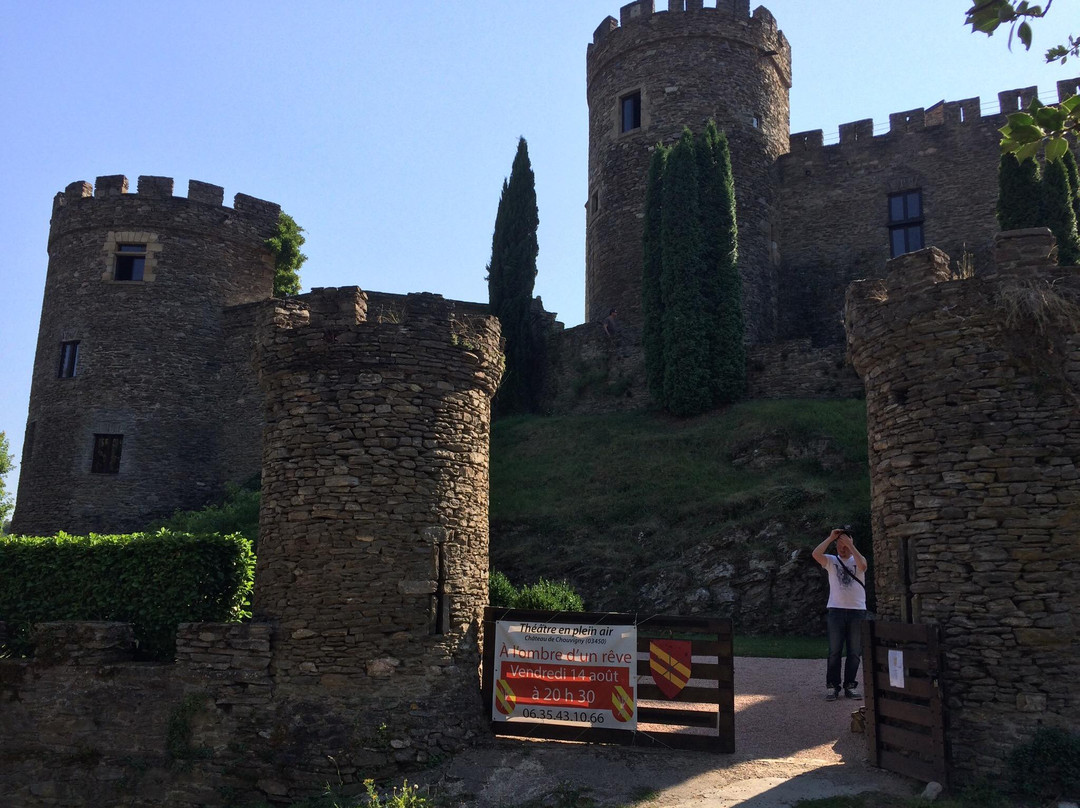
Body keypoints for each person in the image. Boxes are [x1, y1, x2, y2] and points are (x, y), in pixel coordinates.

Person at [811, 527, 868, 701]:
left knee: (854, 651)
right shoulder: (831, 560)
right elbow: (816, 554)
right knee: (834, 651)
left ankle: (850, 685)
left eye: (845, 545)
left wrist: (850, 545)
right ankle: (832, 686)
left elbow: (863, 566)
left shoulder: (858, 560)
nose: (842, 548)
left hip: (857, 611)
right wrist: (830, 538)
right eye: (839, 545)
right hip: (836, 610)